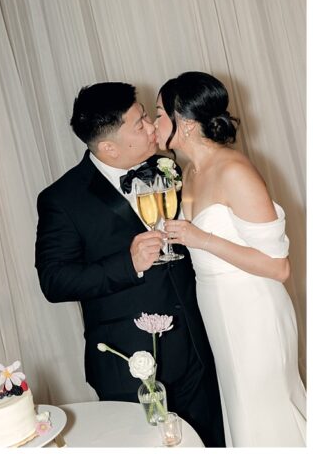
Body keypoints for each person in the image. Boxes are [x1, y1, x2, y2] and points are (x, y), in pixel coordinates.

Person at [35, 82, 225, 447]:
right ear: (108, 146)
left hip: (198, 349)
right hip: (131, 367)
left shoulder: (168, 166)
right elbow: (54, 280)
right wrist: (128, 263)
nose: (153, 127)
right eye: (140, 124)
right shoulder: (62, 199)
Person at [157, 72, 305, 447]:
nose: (153, 124)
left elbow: (278, 266)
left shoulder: (234, 170)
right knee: (241, 408)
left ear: (185, 124)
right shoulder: (188, 172)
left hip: (253, 308)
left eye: (159, 114)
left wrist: (199, 238)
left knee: (264, 412)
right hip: (218, 309)